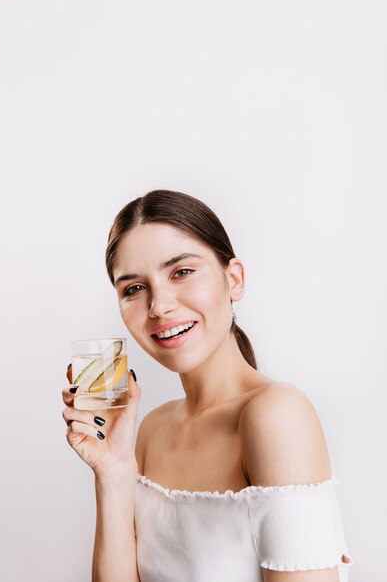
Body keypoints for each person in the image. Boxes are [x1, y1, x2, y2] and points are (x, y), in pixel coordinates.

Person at [62, 189, 353, 582]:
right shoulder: (151, 429)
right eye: (133, 288)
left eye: (181, 272)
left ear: (233, 280)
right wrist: (113, 473)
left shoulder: (276, 415)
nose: (158, 306)